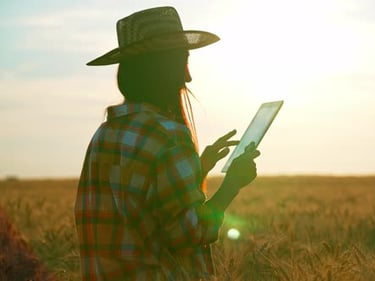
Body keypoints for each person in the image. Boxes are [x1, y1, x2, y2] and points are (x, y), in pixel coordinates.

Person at [74, 6, 260, 281]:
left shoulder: (105, 134)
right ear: (161, 69)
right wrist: (232, 184)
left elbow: (140, 204)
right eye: (182, 61)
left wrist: (199, 167)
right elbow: (189, 232)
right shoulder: (168, 136)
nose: (188, 76)